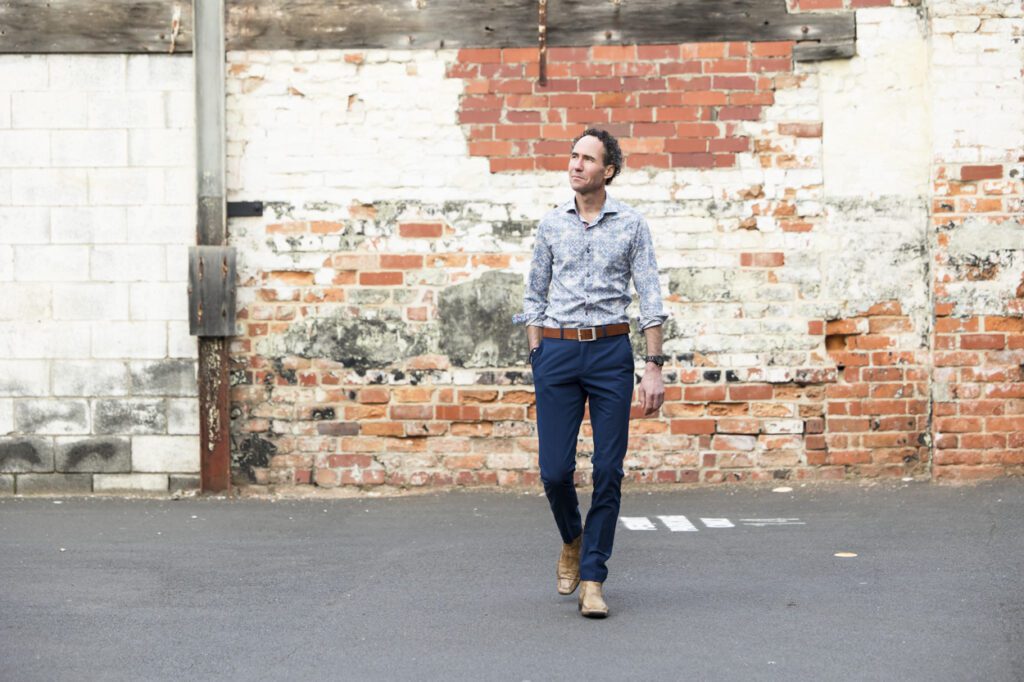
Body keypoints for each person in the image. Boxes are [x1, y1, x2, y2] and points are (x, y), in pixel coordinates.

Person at [518, 127, 669, 618]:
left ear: (608, 170)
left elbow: (650, 297)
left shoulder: (631, 225)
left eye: (587, 158)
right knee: (554, 472)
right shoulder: (550, 225)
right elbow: (534, 295)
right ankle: (572, 539)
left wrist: (653, 367)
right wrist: (537, 351)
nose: (575, 164)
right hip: (558, 356)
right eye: (573, 156)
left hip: (609, 354)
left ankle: (593, 577)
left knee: (608, 469)